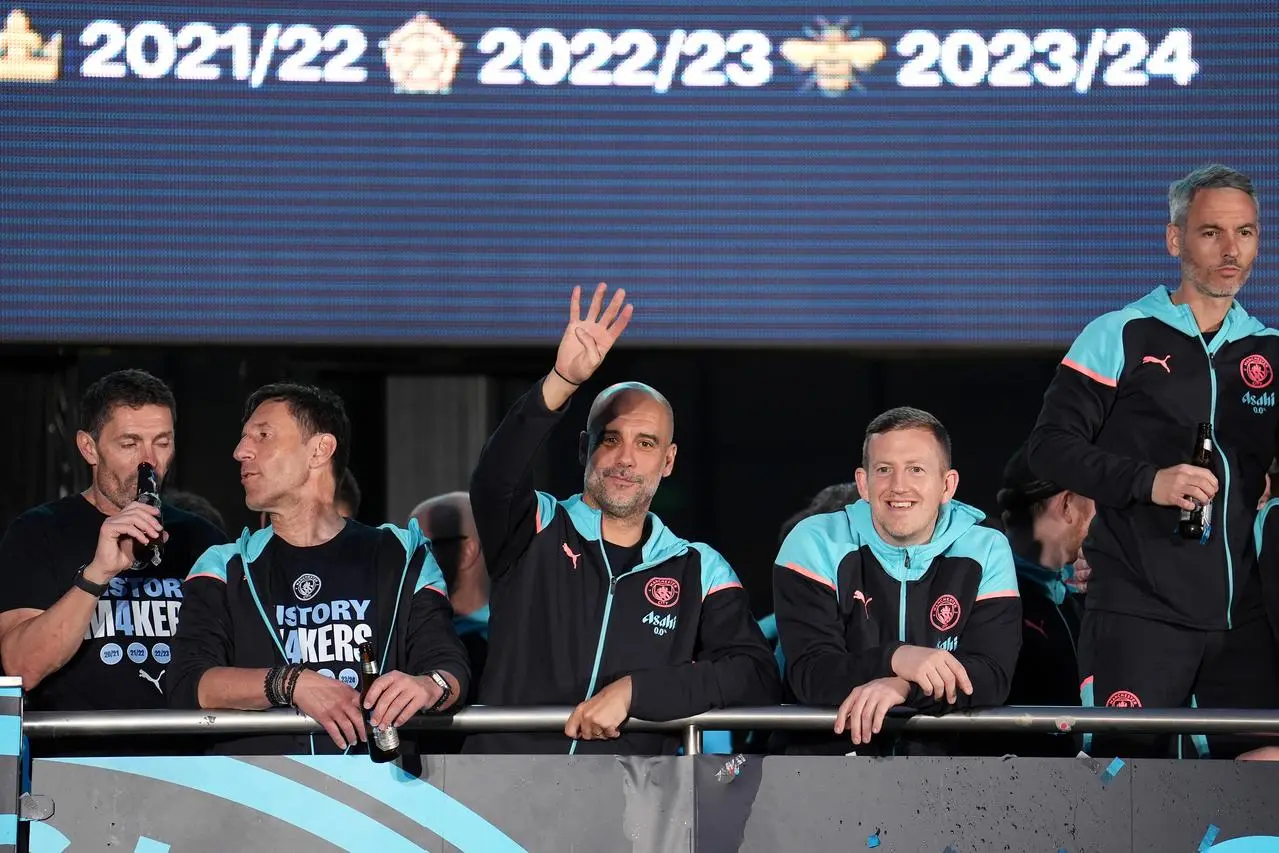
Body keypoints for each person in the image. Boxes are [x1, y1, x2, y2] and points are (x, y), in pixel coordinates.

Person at [1028, 164, 1279, 758]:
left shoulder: (1268, 350)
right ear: (1175, 239)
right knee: (1127, 790)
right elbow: (1050, 446)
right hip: (1137, 612)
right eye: (1211, 232)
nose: (1230, 251)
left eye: (1245, 233)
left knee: (1260, 787)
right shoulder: (1121, 334)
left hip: (1241, 617)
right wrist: (1149, 482)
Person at [466, 283, 780, 754]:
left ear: (668, 462)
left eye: (646, 444)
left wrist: (637, 692)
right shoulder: (536, 527)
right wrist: (562, 380)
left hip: (630, 806)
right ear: (584, 449)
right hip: (504, 796)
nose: (625, 460)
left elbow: (754, 674)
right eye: (610, 440)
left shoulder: (698, 568)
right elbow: (494, 479)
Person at [169, 383, 469, 755]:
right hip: (258, 799)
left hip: (383, 801)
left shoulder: (400, 553)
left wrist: (428, 686)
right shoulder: (223, 565)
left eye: (262, 436)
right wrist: (289, 682)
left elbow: (449, 667)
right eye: (244, 439)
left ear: (319, 450)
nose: (240, 451)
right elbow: (188, 682)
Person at [0, 370, 226, 754]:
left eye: (162, 442)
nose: (149, 463)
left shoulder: (202, 538)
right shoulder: (38, 532)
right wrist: (97, 574)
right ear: (89, 448)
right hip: (78, 768)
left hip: (192, 768)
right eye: (129, 444)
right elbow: (22, 667)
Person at [773, 407, 1021, 754]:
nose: (899, 486)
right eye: (884, 470)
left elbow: (989, 676)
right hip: (826, 768)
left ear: (947, 485)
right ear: (863, 482)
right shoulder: (814, 542)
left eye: (916, 469)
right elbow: (812, 674)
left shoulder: (986, 547)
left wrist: (903, 687)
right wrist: (897, 658)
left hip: (949, 779)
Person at [985, 442, 1094, 756]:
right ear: (1068, 505)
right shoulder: (992, 595)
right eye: (1095, 500)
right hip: (1021, 788)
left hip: (1079, 782)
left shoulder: (1072, 598)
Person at [410, 491, 489, 701]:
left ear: (466, 552)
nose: (408, 558)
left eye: (422, 546)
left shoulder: (510, 640)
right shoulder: (403, 633)